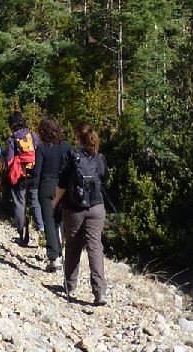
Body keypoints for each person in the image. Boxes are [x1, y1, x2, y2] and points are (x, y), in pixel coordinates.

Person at [53, 122, 108, 305]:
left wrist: (55, 202)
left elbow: (62, 183)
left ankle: (70, 286)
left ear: (77, 136)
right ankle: (100, 292)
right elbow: (104, 180)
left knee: (73, 246)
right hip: (96, 207)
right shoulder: (99, 158)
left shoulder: (71, 155)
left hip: (73, 208)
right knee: (95, 246)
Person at [34, 117, 71, 272]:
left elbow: (37, 171)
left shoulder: (41, 148)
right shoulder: (66, 147)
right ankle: (61, 251)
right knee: (59, 220)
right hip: (63, 185)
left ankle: (53, 257)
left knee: (48, 221)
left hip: (46, 185)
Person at [4, 112, 42, 245]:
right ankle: (41, 230)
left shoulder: (12, 140)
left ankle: (22, 234)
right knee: (35, 202)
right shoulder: (32, 135)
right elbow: (39, 153)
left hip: (20, 175)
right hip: (34, 173)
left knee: (20, 203)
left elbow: (9, 161)